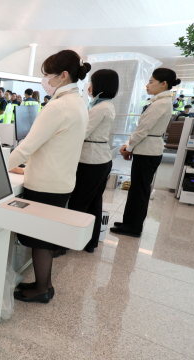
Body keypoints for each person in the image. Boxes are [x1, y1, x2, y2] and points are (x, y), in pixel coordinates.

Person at [8, 49, 91, 303]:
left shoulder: (58, 107)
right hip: (60, 180)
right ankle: (45, 284)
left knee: (39, 240)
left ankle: (42, 289)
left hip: (46, 184)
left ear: (63, 75)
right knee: (43, 237)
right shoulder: (77, 101)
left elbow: (26, 147)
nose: (44, 79)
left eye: (47, 75)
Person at [111, 68, 180, 237]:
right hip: (147, 149)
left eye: (151, 82)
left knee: (140, 190)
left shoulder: (161, 104)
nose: (147, 85)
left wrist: (128, 147)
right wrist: (129, 145)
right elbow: (142, 130)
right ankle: (129, 222)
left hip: (148, 151)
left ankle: (133, 227)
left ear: (163, 84)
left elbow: (143, 130)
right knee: (137, 188)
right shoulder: (159, 102)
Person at [68, 69, 119, 253]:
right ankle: (91, 242)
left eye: (92, 82)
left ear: (100, 85)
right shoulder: (105, 105)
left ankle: (68, 243)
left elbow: (82, 132)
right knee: (93, 203)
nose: (89, 86)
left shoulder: (100, 108)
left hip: (91, 161)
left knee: (78, 203)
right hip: (101, 160)